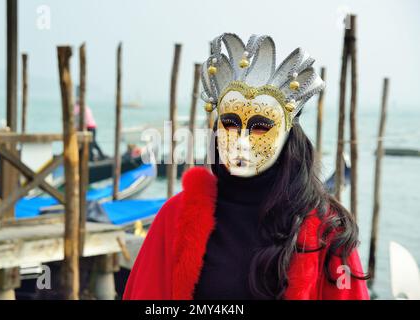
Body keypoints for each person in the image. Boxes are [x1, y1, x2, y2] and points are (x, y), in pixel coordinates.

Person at [122, 33, 369, 300]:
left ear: (287, 134)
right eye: (230, 124)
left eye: (260, 127)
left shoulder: (328, 230)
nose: (241, 142)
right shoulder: (176, 217)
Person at [74, 86, 106, 161]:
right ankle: (98, 156)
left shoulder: (80, 108)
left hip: (90, 127)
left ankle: (93, 159)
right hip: (90, 127)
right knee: (91, 143)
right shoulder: (81, 107)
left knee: (91, 144)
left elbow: (81, 121)